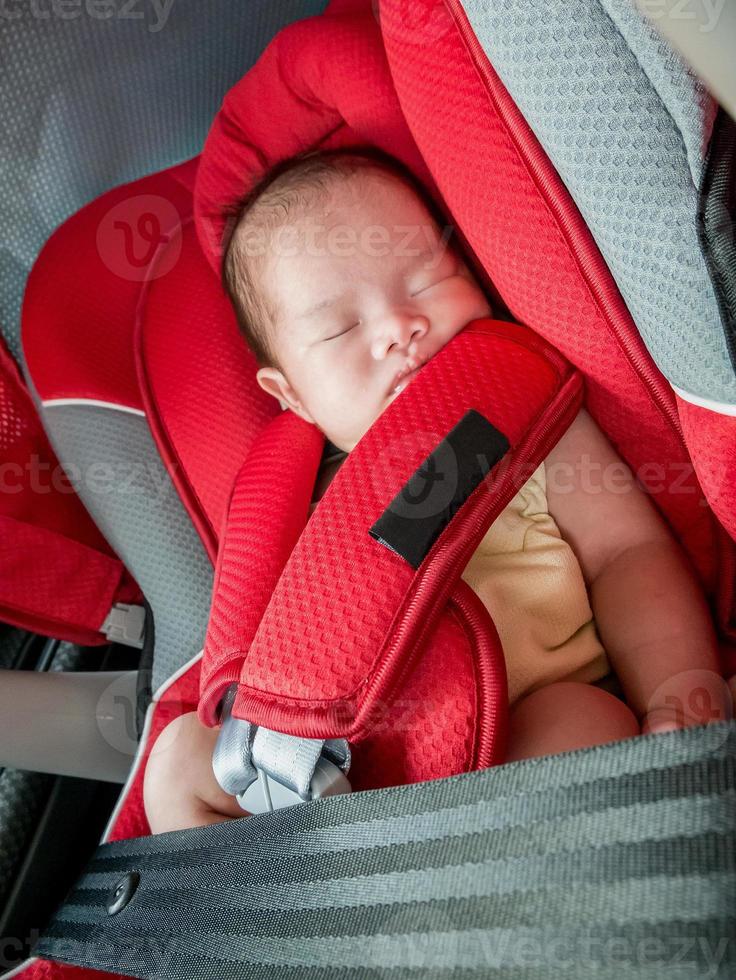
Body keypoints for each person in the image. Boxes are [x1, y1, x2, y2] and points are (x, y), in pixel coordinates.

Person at [143, 147, 730, 835]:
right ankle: (261, 919)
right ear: (290, 394)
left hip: (519, 736)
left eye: (427, 281)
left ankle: (462, 911)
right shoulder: (298, 495)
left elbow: (627, 554)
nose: (399, 329)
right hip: (343, 771)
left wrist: (677, 688)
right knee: (178, 760)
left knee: (586, 721)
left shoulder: (524, 426)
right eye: (340, 328)